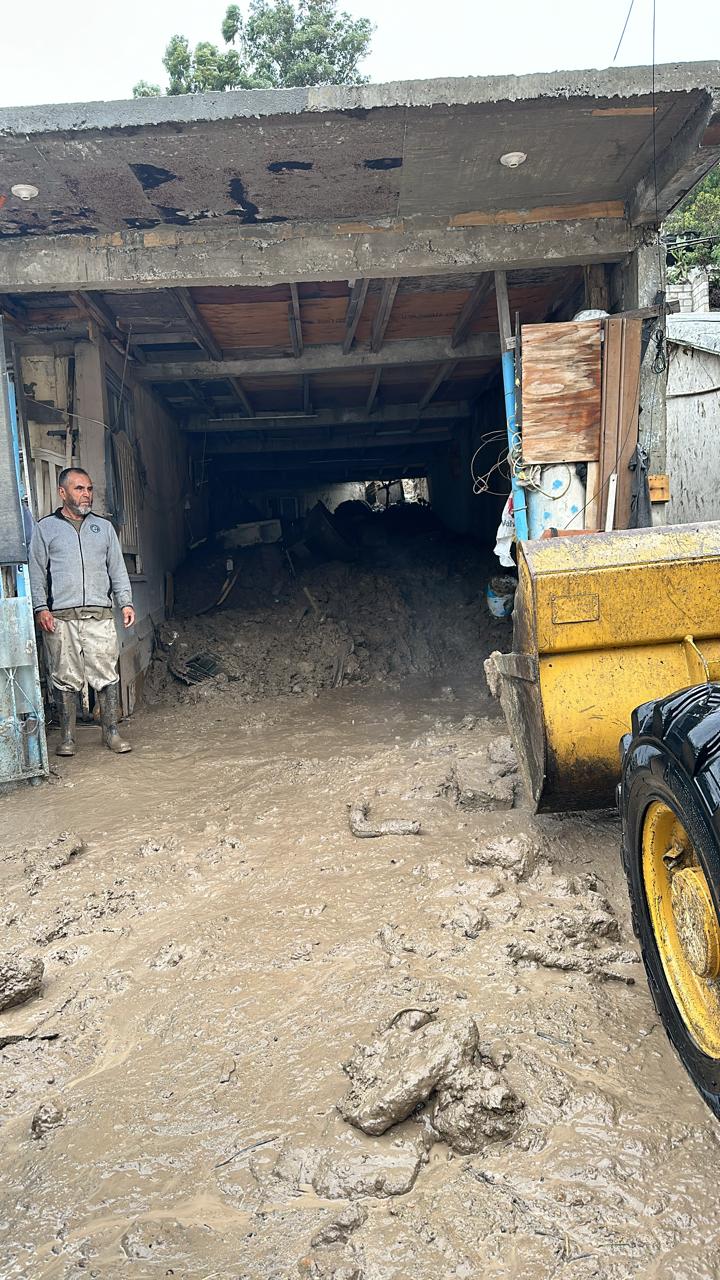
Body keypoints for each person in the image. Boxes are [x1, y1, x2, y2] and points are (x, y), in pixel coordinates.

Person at [28, 467, 135, 757]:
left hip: (99, 615)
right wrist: (41, 608)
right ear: (62, 492)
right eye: (79, 489)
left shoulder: (104, 528)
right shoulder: (45, 529)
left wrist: (126, 602)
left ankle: (112, 733)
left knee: (106, 674)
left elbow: (117, 568)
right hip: (61, 618)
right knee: (65, 677)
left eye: (89, 489)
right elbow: (36, 572)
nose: (86, 494)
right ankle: (68, 738)